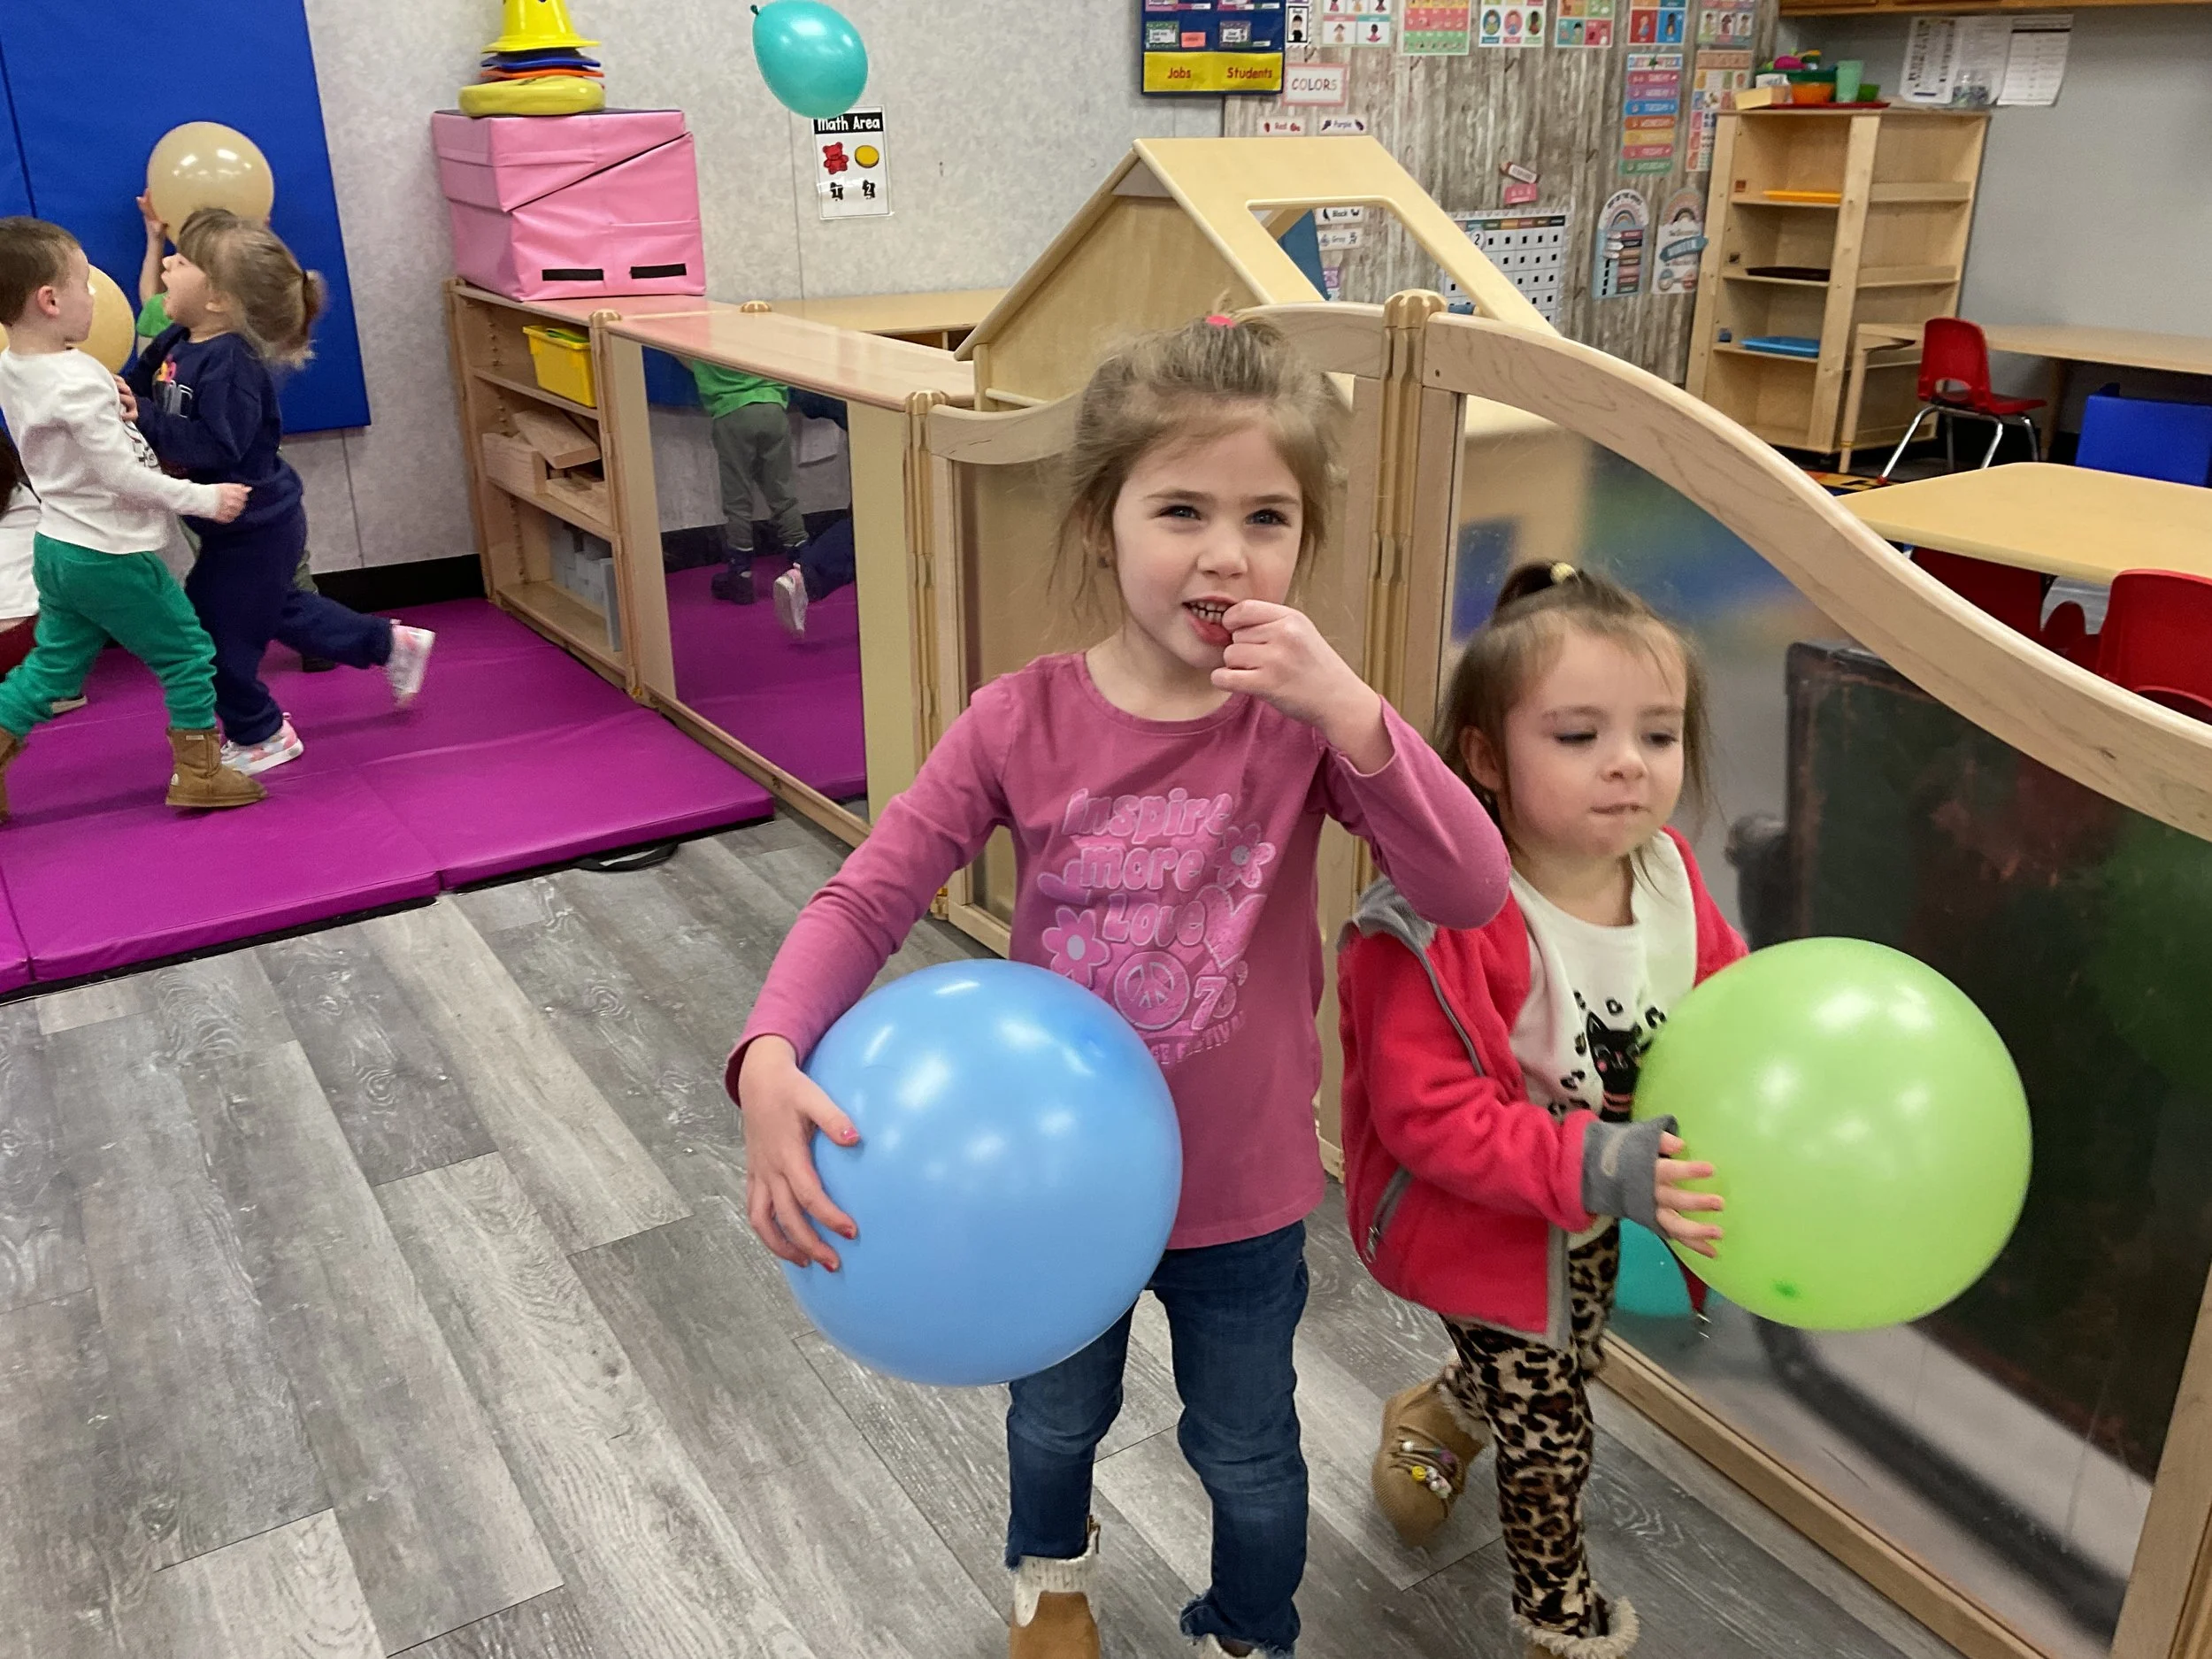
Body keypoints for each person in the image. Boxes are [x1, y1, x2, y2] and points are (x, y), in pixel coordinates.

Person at [733, 313, 1511, 1659]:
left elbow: (1468, 888)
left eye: (1267, 517)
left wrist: (1354, 713)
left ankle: (1251, 1628)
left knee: (1250, 1451)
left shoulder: (1302, 729)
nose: (1226, 552)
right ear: (1102, 523)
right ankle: (1050, 1583)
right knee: (1052, 1420)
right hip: (1043, 1192)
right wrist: (767, 1051)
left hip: (1242, 1193)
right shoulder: (1018, 719)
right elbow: (870, 893)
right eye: (1181, 509)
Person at [1336, 563, 1744, 1659]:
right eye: (1577, 735)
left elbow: (1725, 1000)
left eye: (1658, 735)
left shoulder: (1665, 872)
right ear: (1485, 758)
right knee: (1551, 1433)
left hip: (1599, 1214)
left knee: (1576, 1354)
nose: (1629, 763)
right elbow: (1428, 1116)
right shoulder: (1435, 918)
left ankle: (1441, 1411)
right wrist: (1601, 1166)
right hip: (1487, 1229)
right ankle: (1558, 1622)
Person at [127, 208, 432, 775]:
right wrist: (114, 393)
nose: (167, 265)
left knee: (212, 635)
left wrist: (142, 415)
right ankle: (390, 645)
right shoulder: (179, 337)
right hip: (230, 525)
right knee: (279, 609)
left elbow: (216, 447)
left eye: (182, 261)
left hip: (258, 527)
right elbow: (140, 382)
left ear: (218, 298)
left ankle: (261, 733)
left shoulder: (232, 364)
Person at [0, 216, 261, 818]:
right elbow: (123, 477)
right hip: (108, 551)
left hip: (58, 548)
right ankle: (200, 773)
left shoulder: (17, 365)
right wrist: (206, 499)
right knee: (187, 651)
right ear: (50, 300)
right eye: (84, 284)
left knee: (53, 666)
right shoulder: (76, 379)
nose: (94, 297)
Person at [688, 357, 805, 604]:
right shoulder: (756, 333)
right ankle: (804, 568)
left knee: (738, 500)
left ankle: (740, 575)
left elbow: (682, 353)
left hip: (732, 413)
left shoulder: (704, 336)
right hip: (773, 407)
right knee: (783, 494)